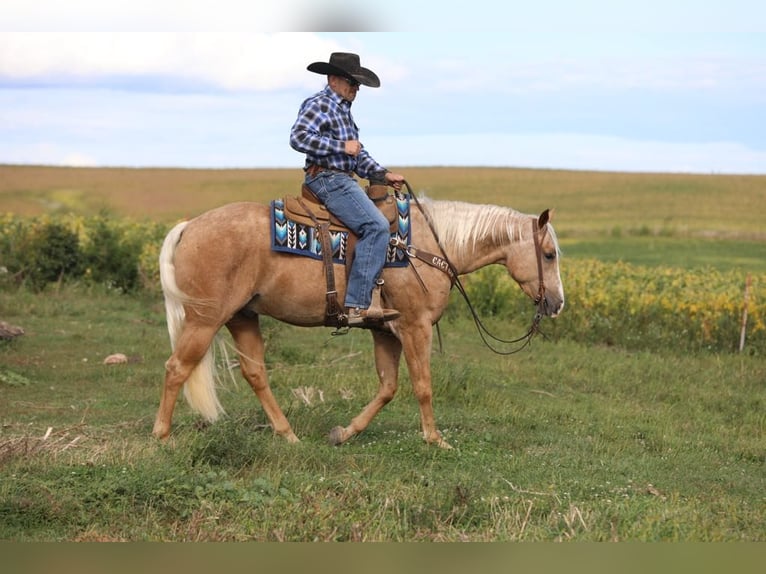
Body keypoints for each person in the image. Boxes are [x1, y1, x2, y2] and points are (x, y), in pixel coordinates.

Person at [290, 52, 406, 327]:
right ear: (332, 79)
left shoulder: (343, 110)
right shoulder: (319, 104)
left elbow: (357, 156)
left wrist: (383, 174)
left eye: (358, 85)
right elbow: (298, 137)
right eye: (351, 83)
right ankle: (357, 305)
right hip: (328, 180)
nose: (356, 89)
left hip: (342, 177)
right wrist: (340, 147)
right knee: (377, 226)